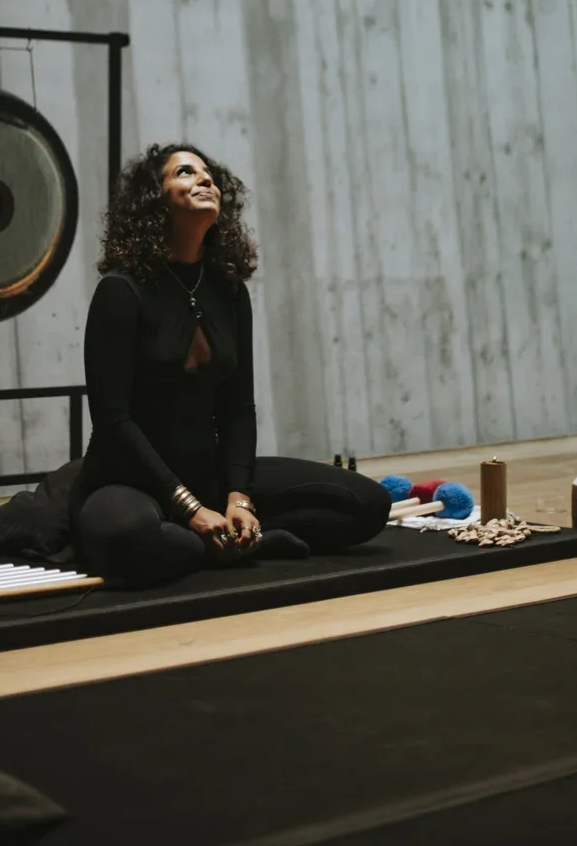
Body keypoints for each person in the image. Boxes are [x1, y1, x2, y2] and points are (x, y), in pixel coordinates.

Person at [70, 144, 390, 587]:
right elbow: (112, 419)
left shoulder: (229, 292)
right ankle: (237, 544)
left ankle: (229, 535)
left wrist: (239, 497)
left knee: (366, 502)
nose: (206, 181)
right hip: (133, 479)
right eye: (185, 172)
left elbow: (240, 407)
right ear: (155, 199)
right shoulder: (121, 292)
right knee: (126, 538)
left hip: (211, 475)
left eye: (210, 175)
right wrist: (190, 507)